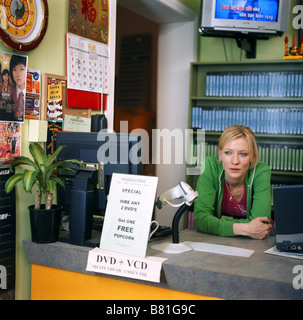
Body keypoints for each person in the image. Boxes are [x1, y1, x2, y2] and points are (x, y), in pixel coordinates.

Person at [194, 125, 272, 240]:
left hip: (252, 245)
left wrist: (218, 222)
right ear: (220, 154)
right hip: (216, 243)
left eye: (243, 154)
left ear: (252, 156)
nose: (235, 161)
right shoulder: (210, 166)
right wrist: (245, 228)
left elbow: (261, 225)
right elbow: (201, 219)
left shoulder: (261, 171)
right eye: (228, 153)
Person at [10, 54, 27, 121]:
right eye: (14, 69)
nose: (18, 74)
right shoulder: (9, 91)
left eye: (21, 69)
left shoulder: (30, 93)